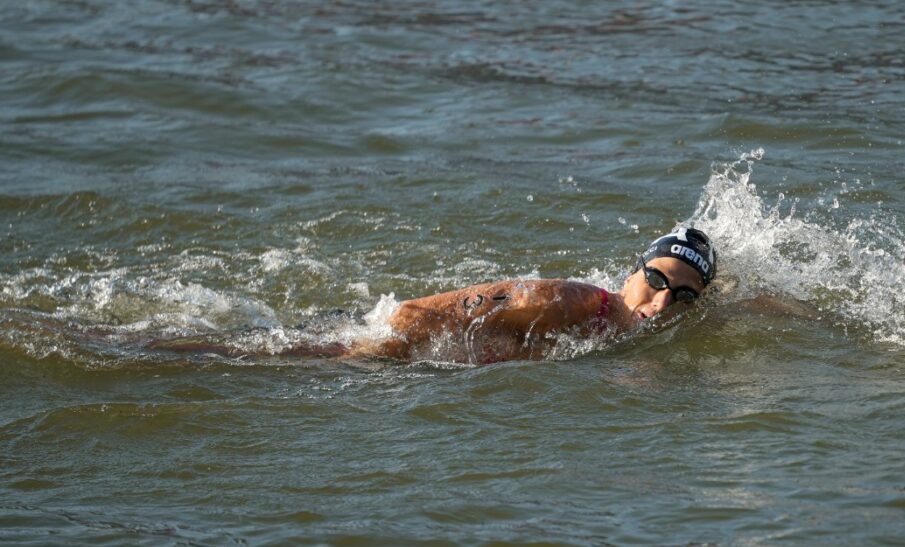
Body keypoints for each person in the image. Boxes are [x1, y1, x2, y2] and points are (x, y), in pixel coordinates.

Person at [151, 227, 717, 363]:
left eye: (685, 297)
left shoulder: (623, 331)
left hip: (399, 358)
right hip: (374, 348)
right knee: (199, 353)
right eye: (659, 281)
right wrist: (366, 361)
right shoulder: (572, 301)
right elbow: (413, 314)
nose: (663, 304)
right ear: (634, 270)